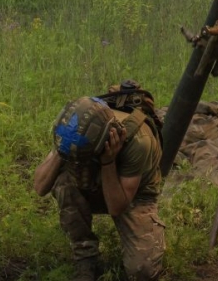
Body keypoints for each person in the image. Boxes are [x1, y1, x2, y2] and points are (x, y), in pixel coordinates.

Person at [33, 91, 165, 281]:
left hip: (134, 194)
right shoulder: (75, 130)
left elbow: (117, 207)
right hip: (94, 177)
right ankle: (86, 258)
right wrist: (61, 151)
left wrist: (108, 161)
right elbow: (39, 187)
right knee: (63, 181)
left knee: (142, 271)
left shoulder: (138, 141)